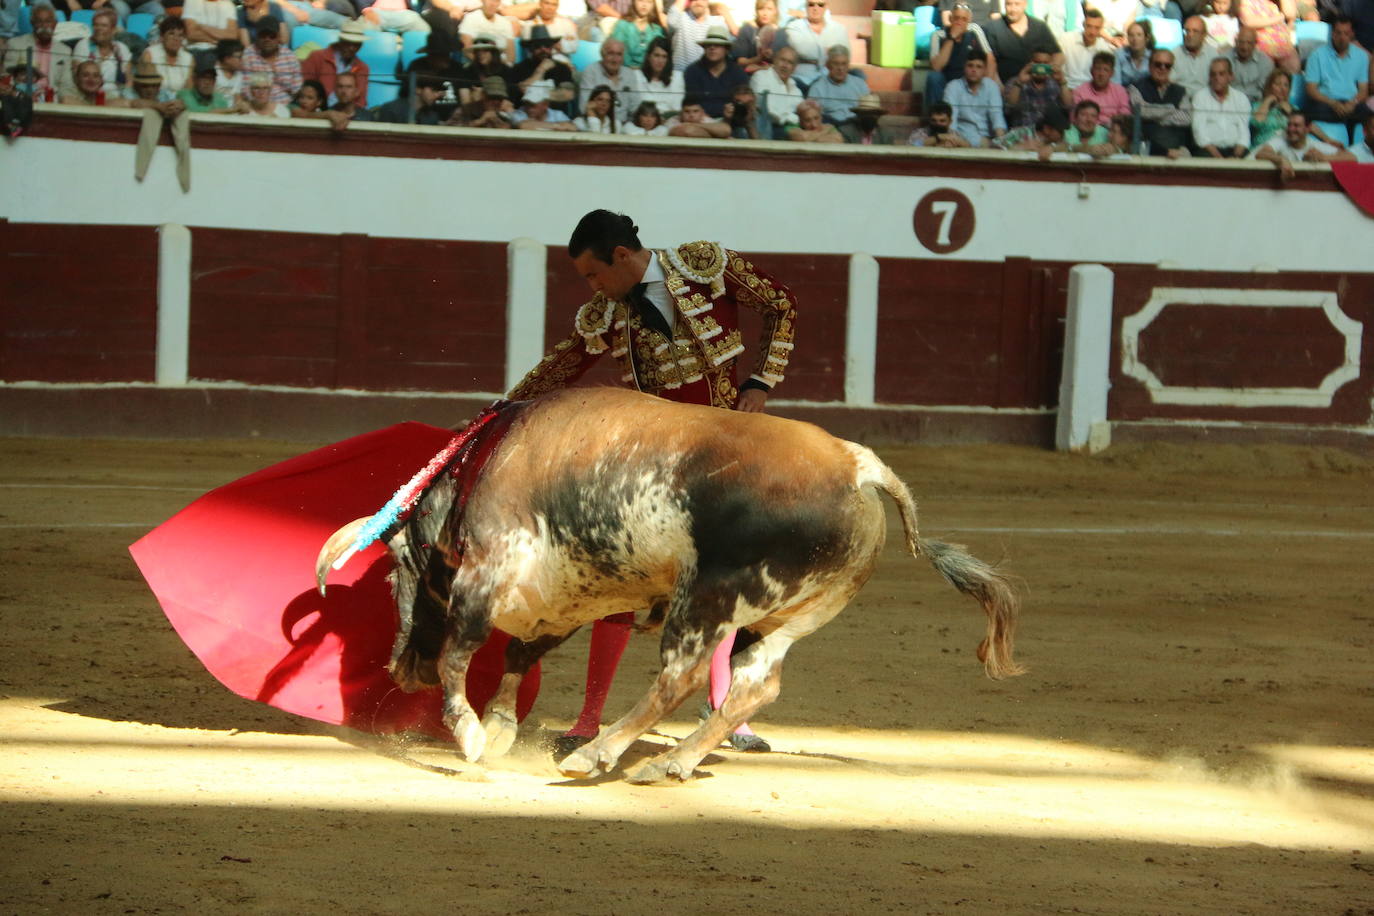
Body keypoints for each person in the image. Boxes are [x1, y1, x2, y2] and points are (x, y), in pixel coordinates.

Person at [505, 209, 798, 758]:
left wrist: (760, 381)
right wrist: (502, 410)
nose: (592, 288)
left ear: (621, 256)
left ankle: (725, 712)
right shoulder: (604, 314)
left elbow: (782, 305)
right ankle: (588, 719)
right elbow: (561, 367)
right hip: (651, 465)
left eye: (594, 275)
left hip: (722, 453)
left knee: (720, 579)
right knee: (614, 579)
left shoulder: (707, 265)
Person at [1301, 17, 1370, 146]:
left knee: (1369, 116)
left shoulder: (1361, 56)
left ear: (1352, 34)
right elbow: (1311, 89)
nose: (1342, 37)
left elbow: (1363, 90)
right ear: (1332, 33)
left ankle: (1357, 151)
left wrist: (1352, 103)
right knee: (1306, 114)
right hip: (1326, 103)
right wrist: (1332, 103)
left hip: (1351, 103)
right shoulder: (1317, 55)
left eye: (1346, 33)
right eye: (1338, 33)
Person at [926, 3, 995, 117]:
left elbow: (990, 58)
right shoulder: (938, 35)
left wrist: (987, 84)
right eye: (956, 18)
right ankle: (936, 118)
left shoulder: (974, 30)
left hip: (969, 80)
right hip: (947, 80)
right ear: (950, 18)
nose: (959, 22)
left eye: (964, 19)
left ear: (969, 21)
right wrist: (951, 38)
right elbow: (936, 67)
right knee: (933, 77)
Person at [1248, 108, 1355, 178]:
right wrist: (1281, 160)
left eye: (1296, 125)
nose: (1291, 129)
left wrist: (1323, 157)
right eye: (1289, 124)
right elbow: (1262, 153)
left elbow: (1351, 158)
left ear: (1307, 129)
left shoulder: (1313, 144)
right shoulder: (1281, 139)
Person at [1129, 47, 1193, 156]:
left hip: (1177, 150)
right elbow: (1141, 111)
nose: (1162, 68)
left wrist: (1155, 118)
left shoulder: (1181, 91)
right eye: (1158, 64)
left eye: (1167, 66)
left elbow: (1186, 117)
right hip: (1148, 149)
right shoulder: (1135, 87)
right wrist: (1171, 109)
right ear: (1150, 66)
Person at [984, 0, 1061, 86]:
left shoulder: (1040, 27)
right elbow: (990, 61)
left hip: (1038, 87)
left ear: (1025, 5)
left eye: (1017, 4)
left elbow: (1058, 54)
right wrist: (998, 87)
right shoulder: (993, 28)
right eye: (1009, 4)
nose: (1013, 9)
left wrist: (1049, 71)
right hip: (1007, 86)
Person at [1, 5, 70, 99]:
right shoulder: (15, 44)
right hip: (20, 98)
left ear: (55, 24)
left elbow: (65, 85)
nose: (44, 26)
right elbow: (9, 77)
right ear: (32, 23)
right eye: (39, 21)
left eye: (48, 21)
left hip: (52, 100)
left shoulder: (65, 50)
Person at [683, 24, 748, 118]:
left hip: (732, 120)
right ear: (704, 48)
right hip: (699, 120)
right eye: (708, 45)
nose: (712, 48)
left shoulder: (738, 73)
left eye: (717, 45)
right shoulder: (692, 71)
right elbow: (692, 104)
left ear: (726, 49)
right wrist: (723, 109)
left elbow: (741, 104)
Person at [302, 20, 371, 107]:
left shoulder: (363, 68)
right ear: (340, 41)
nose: (351, 48)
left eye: (356, 44)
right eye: (348, 43)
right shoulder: (317, 57)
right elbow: (304, 89)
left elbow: (361, 100)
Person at [1190, 56, 1250, 155]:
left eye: (1221, 74)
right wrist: (1218, 158)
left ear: (1231, 76)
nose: (1217, 78)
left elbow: (1244, 133)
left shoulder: (1241, 98)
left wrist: (1235, 158)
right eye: (1213, 74)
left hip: (1235, 150)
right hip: (1208, 150)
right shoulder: (1200, 97)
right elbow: (1199, 132)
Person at [944, 48, 1005, 145]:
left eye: (979, 67)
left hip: (989, 139)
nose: (974, 70)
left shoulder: (991, 86)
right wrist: (952, 140)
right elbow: (951, 119)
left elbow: (996, 116)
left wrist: (1002, 143)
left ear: (984, 70)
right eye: (970, 66)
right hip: (963, 138)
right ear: (964, 67)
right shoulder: (953, 87)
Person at [65, 9, 131, 97]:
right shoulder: (84, 45)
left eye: (104, 25)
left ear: (113, 29)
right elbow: (76, 78)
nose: (98, 28)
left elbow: (129, 80)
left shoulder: (122, 49)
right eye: (96, 25)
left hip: (116, 96)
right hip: (88, 95)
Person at [781, 0, 849, 86]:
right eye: (811, 4)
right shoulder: (794, 26)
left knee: (858, 74)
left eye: (820, 5)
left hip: (831, 77)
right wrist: (831, 54)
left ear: (826, 6)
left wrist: (814, 57)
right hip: (803, 78)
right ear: (806, 6)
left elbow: (846, 55)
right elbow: (803, 51)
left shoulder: (839, 29)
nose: (815, 8)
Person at [577, 38, 642, 122]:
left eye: (619, 54)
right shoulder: (591, 71)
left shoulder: (629, 74)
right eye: (611, 53)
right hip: (598, 123)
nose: (615, 59)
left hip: (624, 126)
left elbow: (635, 106)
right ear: (602, 55)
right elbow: (584, 106)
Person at [241, 19, 303, 105]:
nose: (267, 39)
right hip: (256, 107)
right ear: (257, 37)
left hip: (285, 106)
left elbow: (297, 88)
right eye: (263, 36)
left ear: (278, 37)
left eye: (272, 36)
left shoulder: (289, 56)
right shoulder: (249, 54)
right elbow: (245, 89)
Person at [508, 25, 573, 106]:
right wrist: (541, 70)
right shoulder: (518, 68)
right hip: (526, 114)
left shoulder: (562, 68)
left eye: (547, 45)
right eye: (537, 46)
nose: (543, 49)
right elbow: (522, 89)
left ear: (552, 47)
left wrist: (538, 95)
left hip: (555, 116)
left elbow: (568, 94)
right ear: (530, 49)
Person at [804, 45, 867, 125]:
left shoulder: (860, 84)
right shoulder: (817, 88)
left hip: (858, 125)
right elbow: (812, 117)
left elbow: (870, 110)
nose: (840, 68)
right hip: (832, 126)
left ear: (848, 65)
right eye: (836, 64)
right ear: (828, 65)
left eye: (843, 64)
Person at [1003, 48, 1064, 128]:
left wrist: (1062, 81)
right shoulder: (1014, 82)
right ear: (1029, 63)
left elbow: (1068, 106)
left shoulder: (1054, 82)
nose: (1041, 66)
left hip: (1048, 132)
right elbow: (1008, 109)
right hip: (1023, 131)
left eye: (1045, 63)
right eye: (1037, 63)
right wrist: (1019, 83)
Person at [751, 42, 802, 135]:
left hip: (792, 128)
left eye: (790, 62)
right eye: (782, 60)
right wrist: (792, 119)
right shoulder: (761, 77)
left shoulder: (796, 89)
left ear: (794, 68)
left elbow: (802, 112)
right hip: (768, 128)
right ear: (774, 60)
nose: (785, 65)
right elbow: (767, 110)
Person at [667, 0, 731, 73]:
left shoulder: (717, 22)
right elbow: (671, 21)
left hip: (706, 77)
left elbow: (725, 51)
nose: (698, 2)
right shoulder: (680, 19)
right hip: (680, 74)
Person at [1237, 0, 1298, 74]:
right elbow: (1248, 21)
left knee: (1294, 66)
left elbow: (1290, 14)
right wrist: (1278, 18)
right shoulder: (1247, 2)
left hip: (1284, 47)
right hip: (1262, 50)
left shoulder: (1275, 2)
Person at [1060, 7, 1113, 90]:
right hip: (1066, 86)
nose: (1092, 32)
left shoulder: (1104, 49)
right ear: (1083, 25)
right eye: (1089, 26)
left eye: (1097, 28)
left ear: (1101, 29)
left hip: (1091, 91)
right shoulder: (1066, 39)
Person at [141, 15, 195, 94]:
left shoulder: (189, 59)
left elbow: (189, 90)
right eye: (171, 34)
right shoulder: (150, 55)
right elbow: (146, 88)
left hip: (180, 101)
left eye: (180, 35)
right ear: (162, 37)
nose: (176, 38)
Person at [1070, 50, 1130, 123]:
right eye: (1098, 69)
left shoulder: (1120, 91)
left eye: (1106, 70)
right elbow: (1074, 117)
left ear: (1112, 73)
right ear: (1091, 71)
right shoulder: (1080, 92)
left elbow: (1125, 116)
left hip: (1112, 130)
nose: (1101, 74)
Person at [456, 36, 510, 107]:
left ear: (493, 53)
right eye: (477, 51)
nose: (480, 54)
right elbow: (465, 102)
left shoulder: (506, 71)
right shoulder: (468, 71)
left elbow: (509, 99)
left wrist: (483, 94)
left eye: (485, 50)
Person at [610, 0, 666, 68]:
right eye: (640, 0)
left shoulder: (657, 29)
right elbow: (617, 53)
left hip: (648, 73)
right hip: (625, 70)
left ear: (653, 5)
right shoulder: (622, 26)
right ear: (634, 2)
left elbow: (659, 55)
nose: (644, 5)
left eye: (649, 2)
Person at [992, 107, 1067, 157]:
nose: (1062, 134)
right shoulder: (1021, 133)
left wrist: (1052, 147)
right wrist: (1019, 147)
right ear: (1047, 128)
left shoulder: (1058, 141)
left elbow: (1068, 147)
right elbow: (994, 146)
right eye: (1060, 131)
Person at [638, 35, 684, 116]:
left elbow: (678, 109)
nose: (660, 61)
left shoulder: (677, 78)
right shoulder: (638, 76)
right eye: (656, 55)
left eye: (664, 57)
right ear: (649, 56)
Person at [373, 72, 448, 122]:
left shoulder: (432, 117)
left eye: (438, 92)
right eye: (433, 90)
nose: (437, 95)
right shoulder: (391, 110)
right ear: (418, 89)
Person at [1225, 26, 1273, 103]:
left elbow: (1264, 90)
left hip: (1255, 104)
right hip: (1230, 103)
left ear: (1255, 43)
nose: (1245, 47)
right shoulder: (1225, 59)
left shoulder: (1265, 62)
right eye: (1242, 42)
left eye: (1249, 43)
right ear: (1236, 42)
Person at [177, 59, 244, 111]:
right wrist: (233, 110)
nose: (207, 82)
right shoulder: (184, 95)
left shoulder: (220, 98)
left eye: (211, 78)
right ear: (194, 79)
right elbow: (197, 112)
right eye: (204, 77)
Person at [732, 0, 778, 73]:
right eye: (761, 9)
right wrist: (759, 58)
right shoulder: (747, 29)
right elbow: (740, 62)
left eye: (769, 9)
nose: (765, 13)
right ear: (756, 11)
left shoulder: (778, 32)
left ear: (775, 11)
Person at [510, 77, 576, 127]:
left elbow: (571, 127)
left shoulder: (558, 115)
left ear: (546, 105)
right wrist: (557, 126)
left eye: (533, 105)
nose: (529, 108)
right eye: (527, 104)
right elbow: (524, 125)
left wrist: (538, 125)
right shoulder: (519, 113)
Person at [1115, 19, 1154, 87]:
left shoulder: (1153, 57)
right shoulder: (1119, 54)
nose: (1135, 39)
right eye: (1131, 35)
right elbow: (1115, 83)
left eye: (1139, 35)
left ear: (1147, 38)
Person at [361, 0, 432, 34]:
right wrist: (366, 9)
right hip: (374, 11)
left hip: (404, 14)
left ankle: (421, 61)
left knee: (422, 26)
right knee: (365, 27)